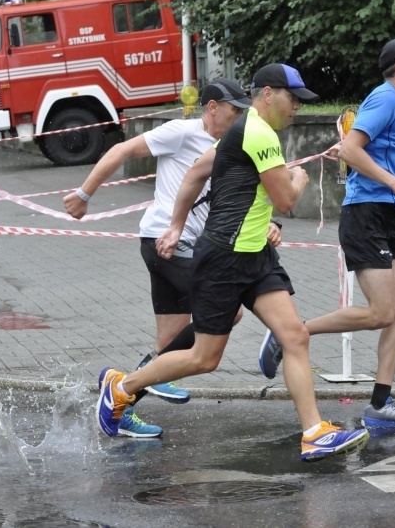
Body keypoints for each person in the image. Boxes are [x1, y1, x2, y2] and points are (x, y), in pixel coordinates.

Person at [96, 63, 370, 462]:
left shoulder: (245, 132)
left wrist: (175, 227)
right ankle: (121, 388)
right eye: (293, 99)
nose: (297, 107)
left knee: (294, 335)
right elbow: (286, 201)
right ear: (269, 94)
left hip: (255, 255)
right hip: (224, 258)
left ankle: (314, 432)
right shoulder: (258, 133)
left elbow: (195, 172)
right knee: (203, 359)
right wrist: (298, 177)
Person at [65, 78, 270, 438]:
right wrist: (84, 193)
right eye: (234, 109)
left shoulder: (233, 144)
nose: (239, 117)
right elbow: (122, 150)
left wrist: (274, 223)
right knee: (230, 310)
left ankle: (120, 405)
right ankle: (127, 383)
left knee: (170, 344)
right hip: (166, 242)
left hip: (181, 247)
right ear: (212, 107)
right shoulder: (181, 132)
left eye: (243, 111)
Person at [259, 38, 395, 432]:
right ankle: (293, 331)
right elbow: (350, 149)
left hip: (388, 215)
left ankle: (380, 404)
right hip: (366, 214)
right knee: (381, 312)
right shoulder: (385, 99)